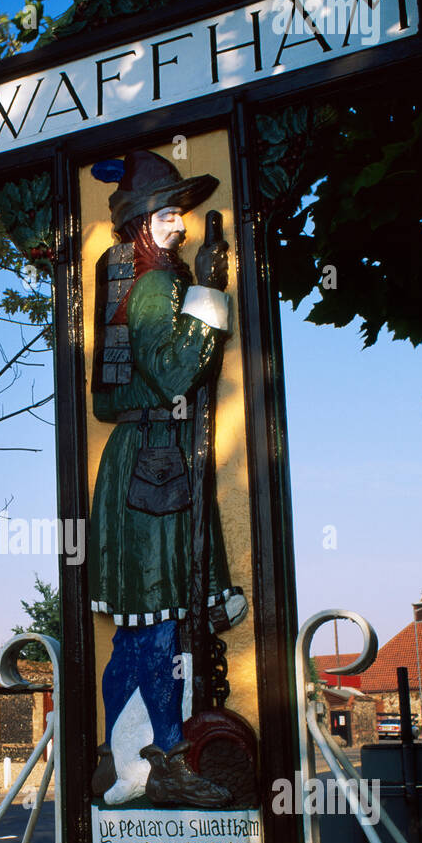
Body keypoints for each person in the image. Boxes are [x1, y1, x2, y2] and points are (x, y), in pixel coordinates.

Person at [89, 150, 246, 807]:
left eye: (181, 215)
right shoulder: (156, 286)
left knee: (138, 631)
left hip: (149, 458)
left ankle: (118, 762)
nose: (181, 226)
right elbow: (179, 372)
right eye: (171, 214)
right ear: (144, 224)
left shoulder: (148, 280)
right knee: (152, 626)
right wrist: (211, 290)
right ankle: (168, 761)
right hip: (151, 463)